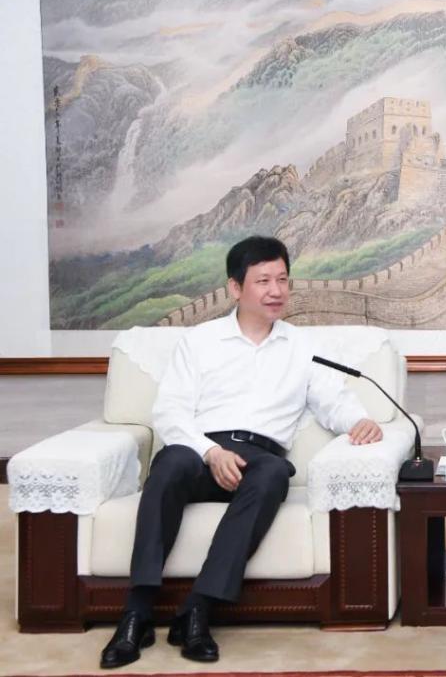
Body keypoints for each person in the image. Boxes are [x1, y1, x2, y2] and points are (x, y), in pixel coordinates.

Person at [101, 236, 382, 669]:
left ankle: (198, 610)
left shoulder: (302, 346)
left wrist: (359, 421)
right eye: (263, 281)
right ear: (235, 288)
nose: (276, 291)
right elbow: (170, 412)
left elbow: (334, 401)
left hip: (258, 459)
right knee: (171, 462)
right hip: (200, 452)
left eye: (283, 280)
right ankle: (136, 613)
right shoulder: (200, 341)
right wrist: (211, 452)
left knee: (274, 473)